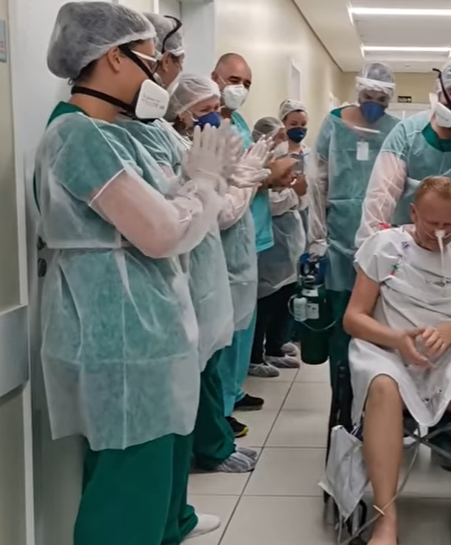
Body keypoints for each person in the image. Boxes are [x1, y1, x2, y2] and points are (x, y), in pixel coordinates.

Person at [36, 3, 228, 542]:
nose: (157, 72)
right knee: (126, 497)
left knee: (154, 484)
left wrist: (197, 183)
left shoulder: (116, 133)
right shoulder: (77, 137)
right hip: (121, 339)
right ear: (114, 58)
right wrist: (203, 185)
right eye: (150, 58)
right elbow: (162, 231)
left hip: (150, 331)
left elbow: (161, 215)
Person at [121, 11, 262, 475]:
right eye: (171, 57)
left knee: (204, 369)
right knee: (193, 376)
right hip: (170, 273)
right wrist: (234, 185)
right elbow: (203, 210)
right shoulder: (115, 135)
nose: (176, 64)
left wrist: (231, 179)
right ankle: (213, 447)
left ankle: (205, 456)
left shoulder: (164, 135)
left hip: (193, 270)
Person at [343, 176, 451, 545]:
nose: (440, 233)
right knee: (383, 386)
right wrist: (396, 339)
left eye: (450, 225)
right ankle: (386, 520)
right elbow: (354, 318)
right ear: (413, 212)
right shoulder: (384, 246)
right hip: (388, 349)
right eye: (431, 223)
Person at [162, 73, 269, 472]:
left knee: (210, 362)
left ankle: (216, 442)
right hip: (192, 272)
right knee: (202, 367)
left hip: (210, 268)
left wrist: (234, 177)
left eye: (215, 110)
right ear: (181, 111)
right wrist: (242, 184)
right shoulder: (174, 146)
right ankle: (213, 446)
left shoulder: (190, 144)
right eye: (205, 111)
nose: (214, 118)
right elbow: (218, 213)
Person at [211, 53, 298, 419]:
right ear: (214, 77)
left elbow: (248, 168)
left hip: (252, 229)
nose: (239, 89)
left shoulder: (240, 121)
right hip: (228, 236)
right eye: (233, 80)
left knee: (244, 322)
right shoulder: (211, 124)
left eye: (246, 84)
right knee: (226, 329)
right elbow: (230, 180)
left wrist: (269, 173)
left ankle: (232, 391)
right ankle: (221, 407)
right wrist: (268, 175)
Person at [354, 56, 451, 248]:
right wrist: (370, 247)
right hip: (407, 245)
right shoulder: (407, 133)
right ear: (440, 90)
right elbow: (380, 197)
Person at [309, 62, 400, 386]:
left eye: (381, 97)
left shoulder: (396, 128)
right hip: (338, 237)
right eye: (369, 94)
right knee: (342, 322)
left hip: (382, 237)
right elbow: (317, 181)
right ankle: (343, 397)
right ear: (358, 92)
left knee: (380, 323)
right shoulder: (334, 123)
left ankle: (377, 394)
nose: (374, 102)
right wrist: (317, 235)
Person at [250, 106, 309, 377]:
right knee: (266, 302)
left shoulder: (284, 161)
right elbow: (270, 204)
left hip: (288, 242)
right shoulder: (257, 167)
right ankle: (255, 356)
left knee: (284, 296)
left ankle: (275, 346)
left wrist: (294, 192)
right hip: (271, 244)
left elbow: (300, 197)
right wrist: (292, 192)